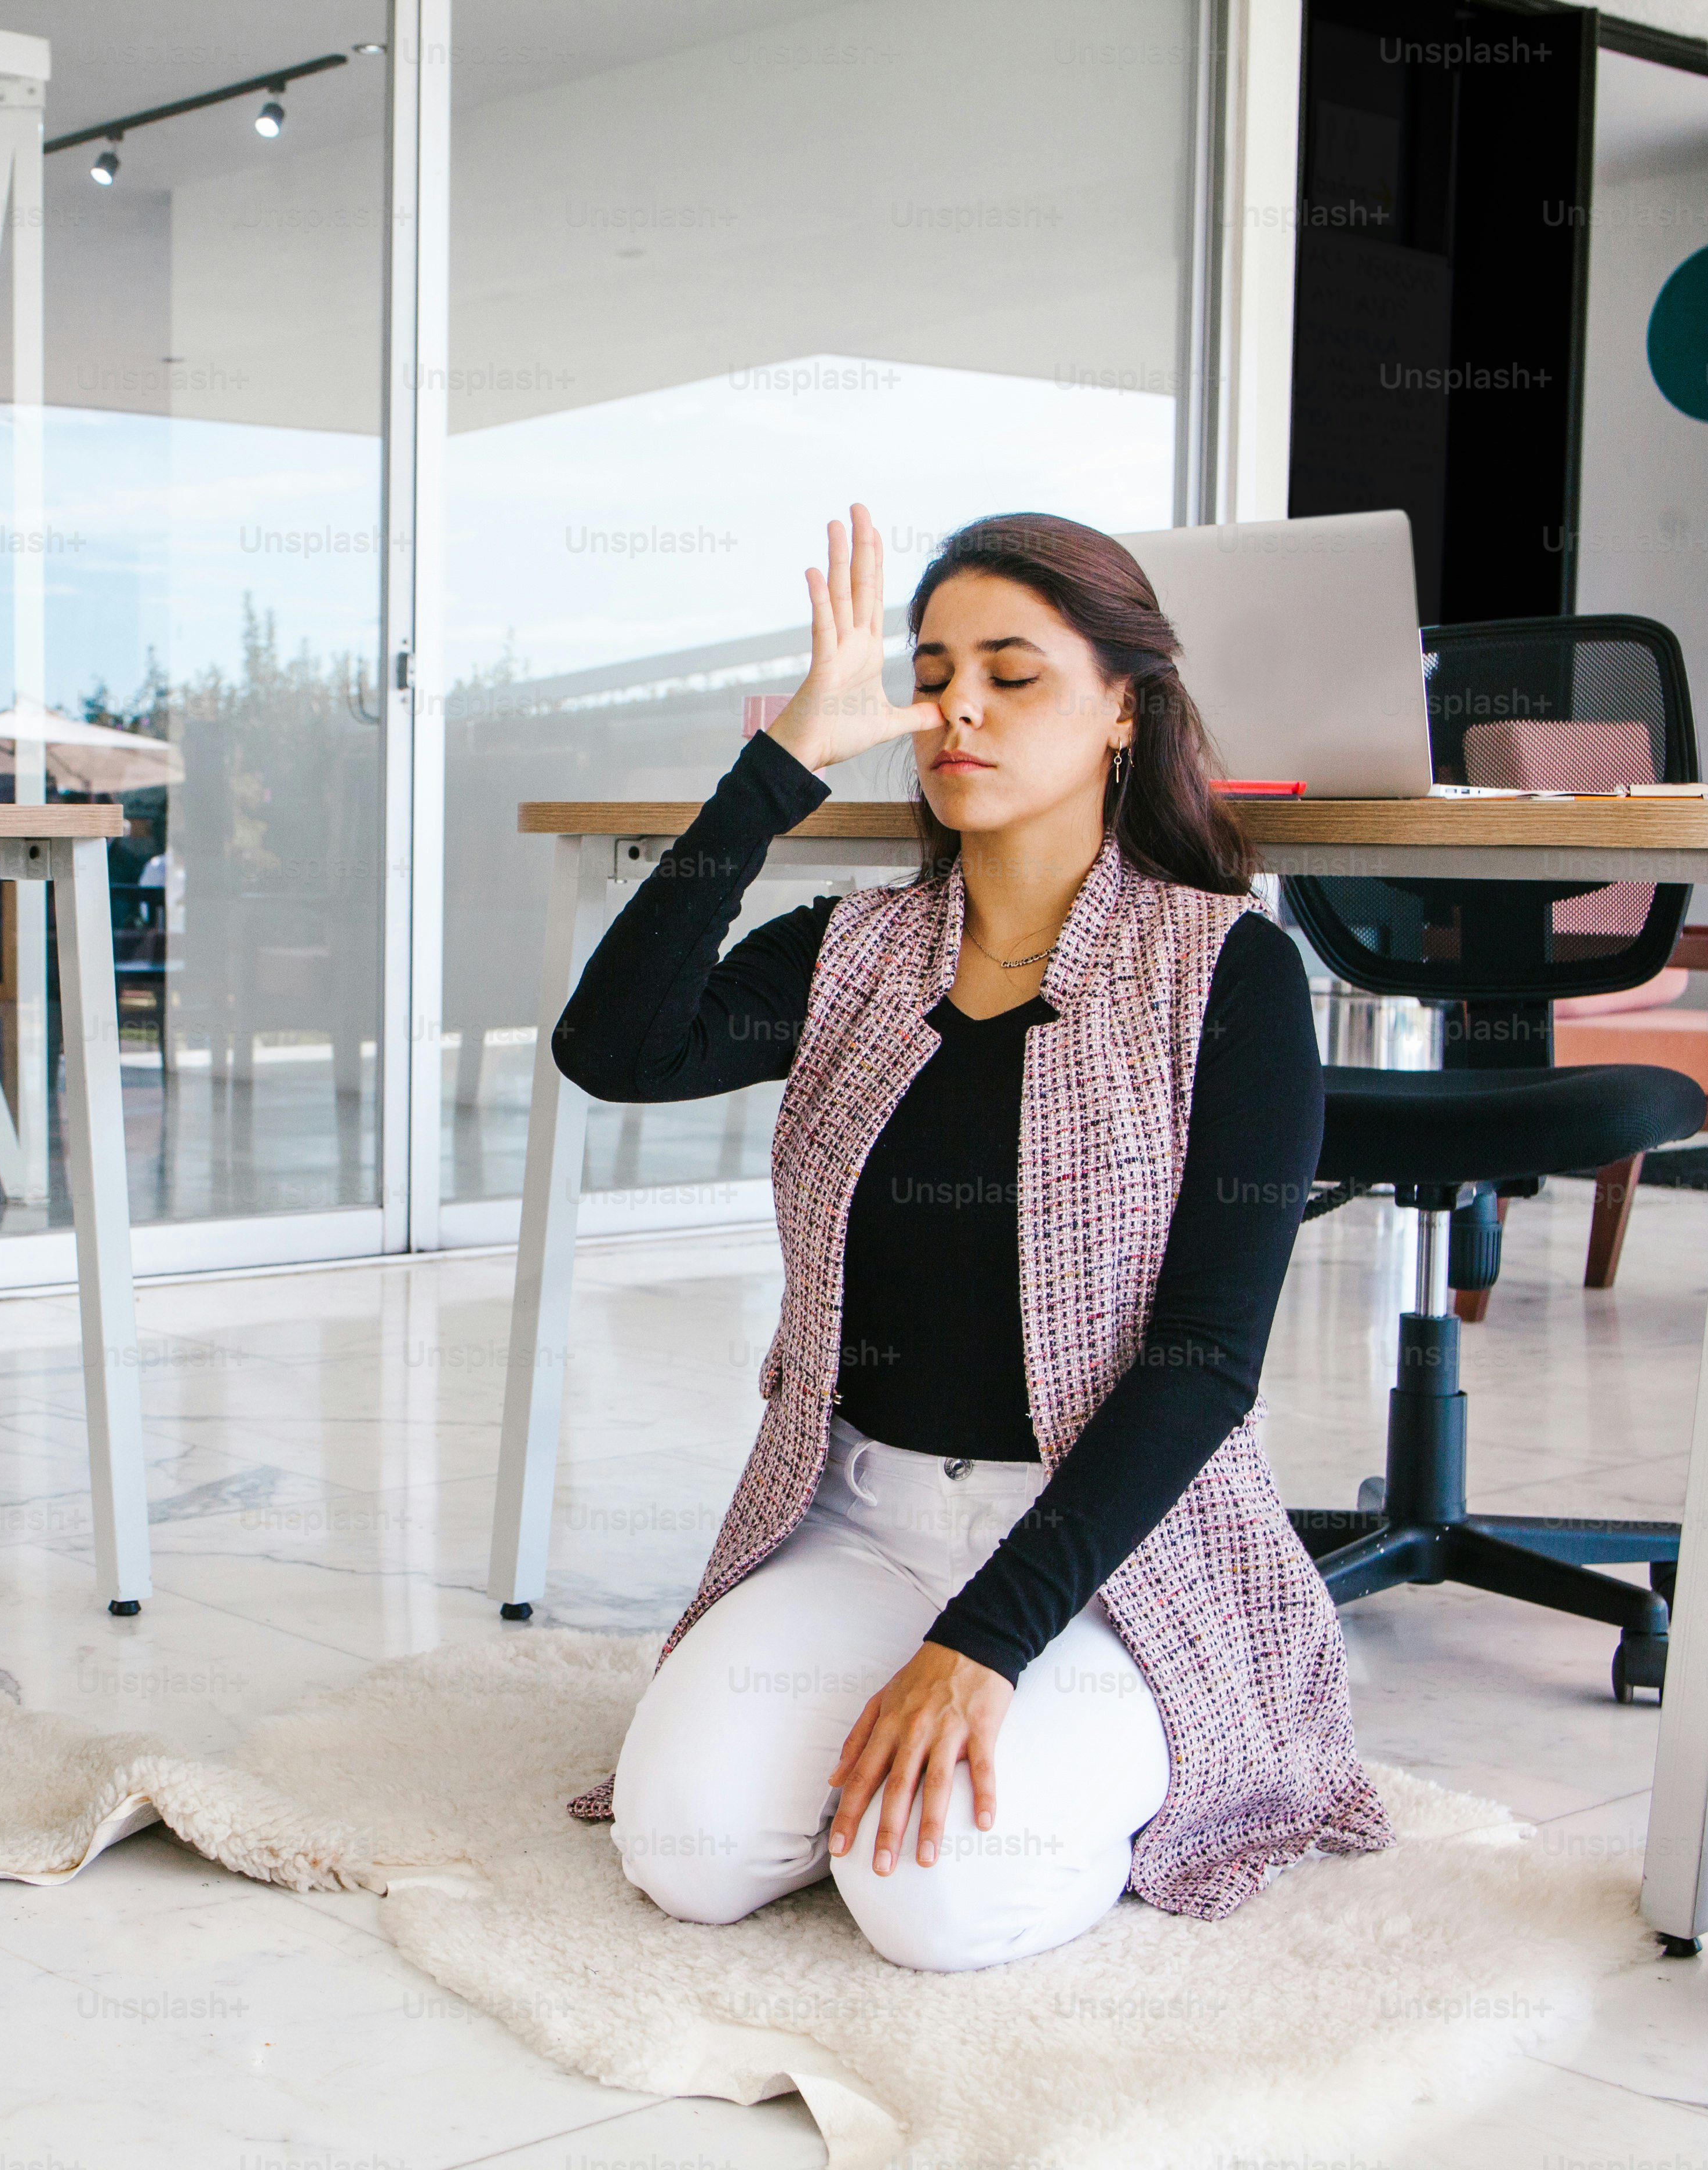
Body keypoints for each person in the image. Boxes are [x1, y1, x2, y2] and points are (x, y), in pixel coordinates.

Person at [559, 507, 1392, 1970]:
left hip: (1111, 1549)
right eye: (937, 670)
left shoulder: (1226, 975)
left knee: (936, 1909)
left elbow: (1206, 1361)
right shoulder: (849, 952)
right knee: (684, 1855)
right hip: (862, 1518)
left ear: (1125, 706)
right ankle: (888, 1749)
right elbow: (612, 1047)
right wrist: (781, 770)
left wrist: (984, 1646)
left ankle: (1145, 1744)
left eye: (1014, 675)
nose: (956, 708)